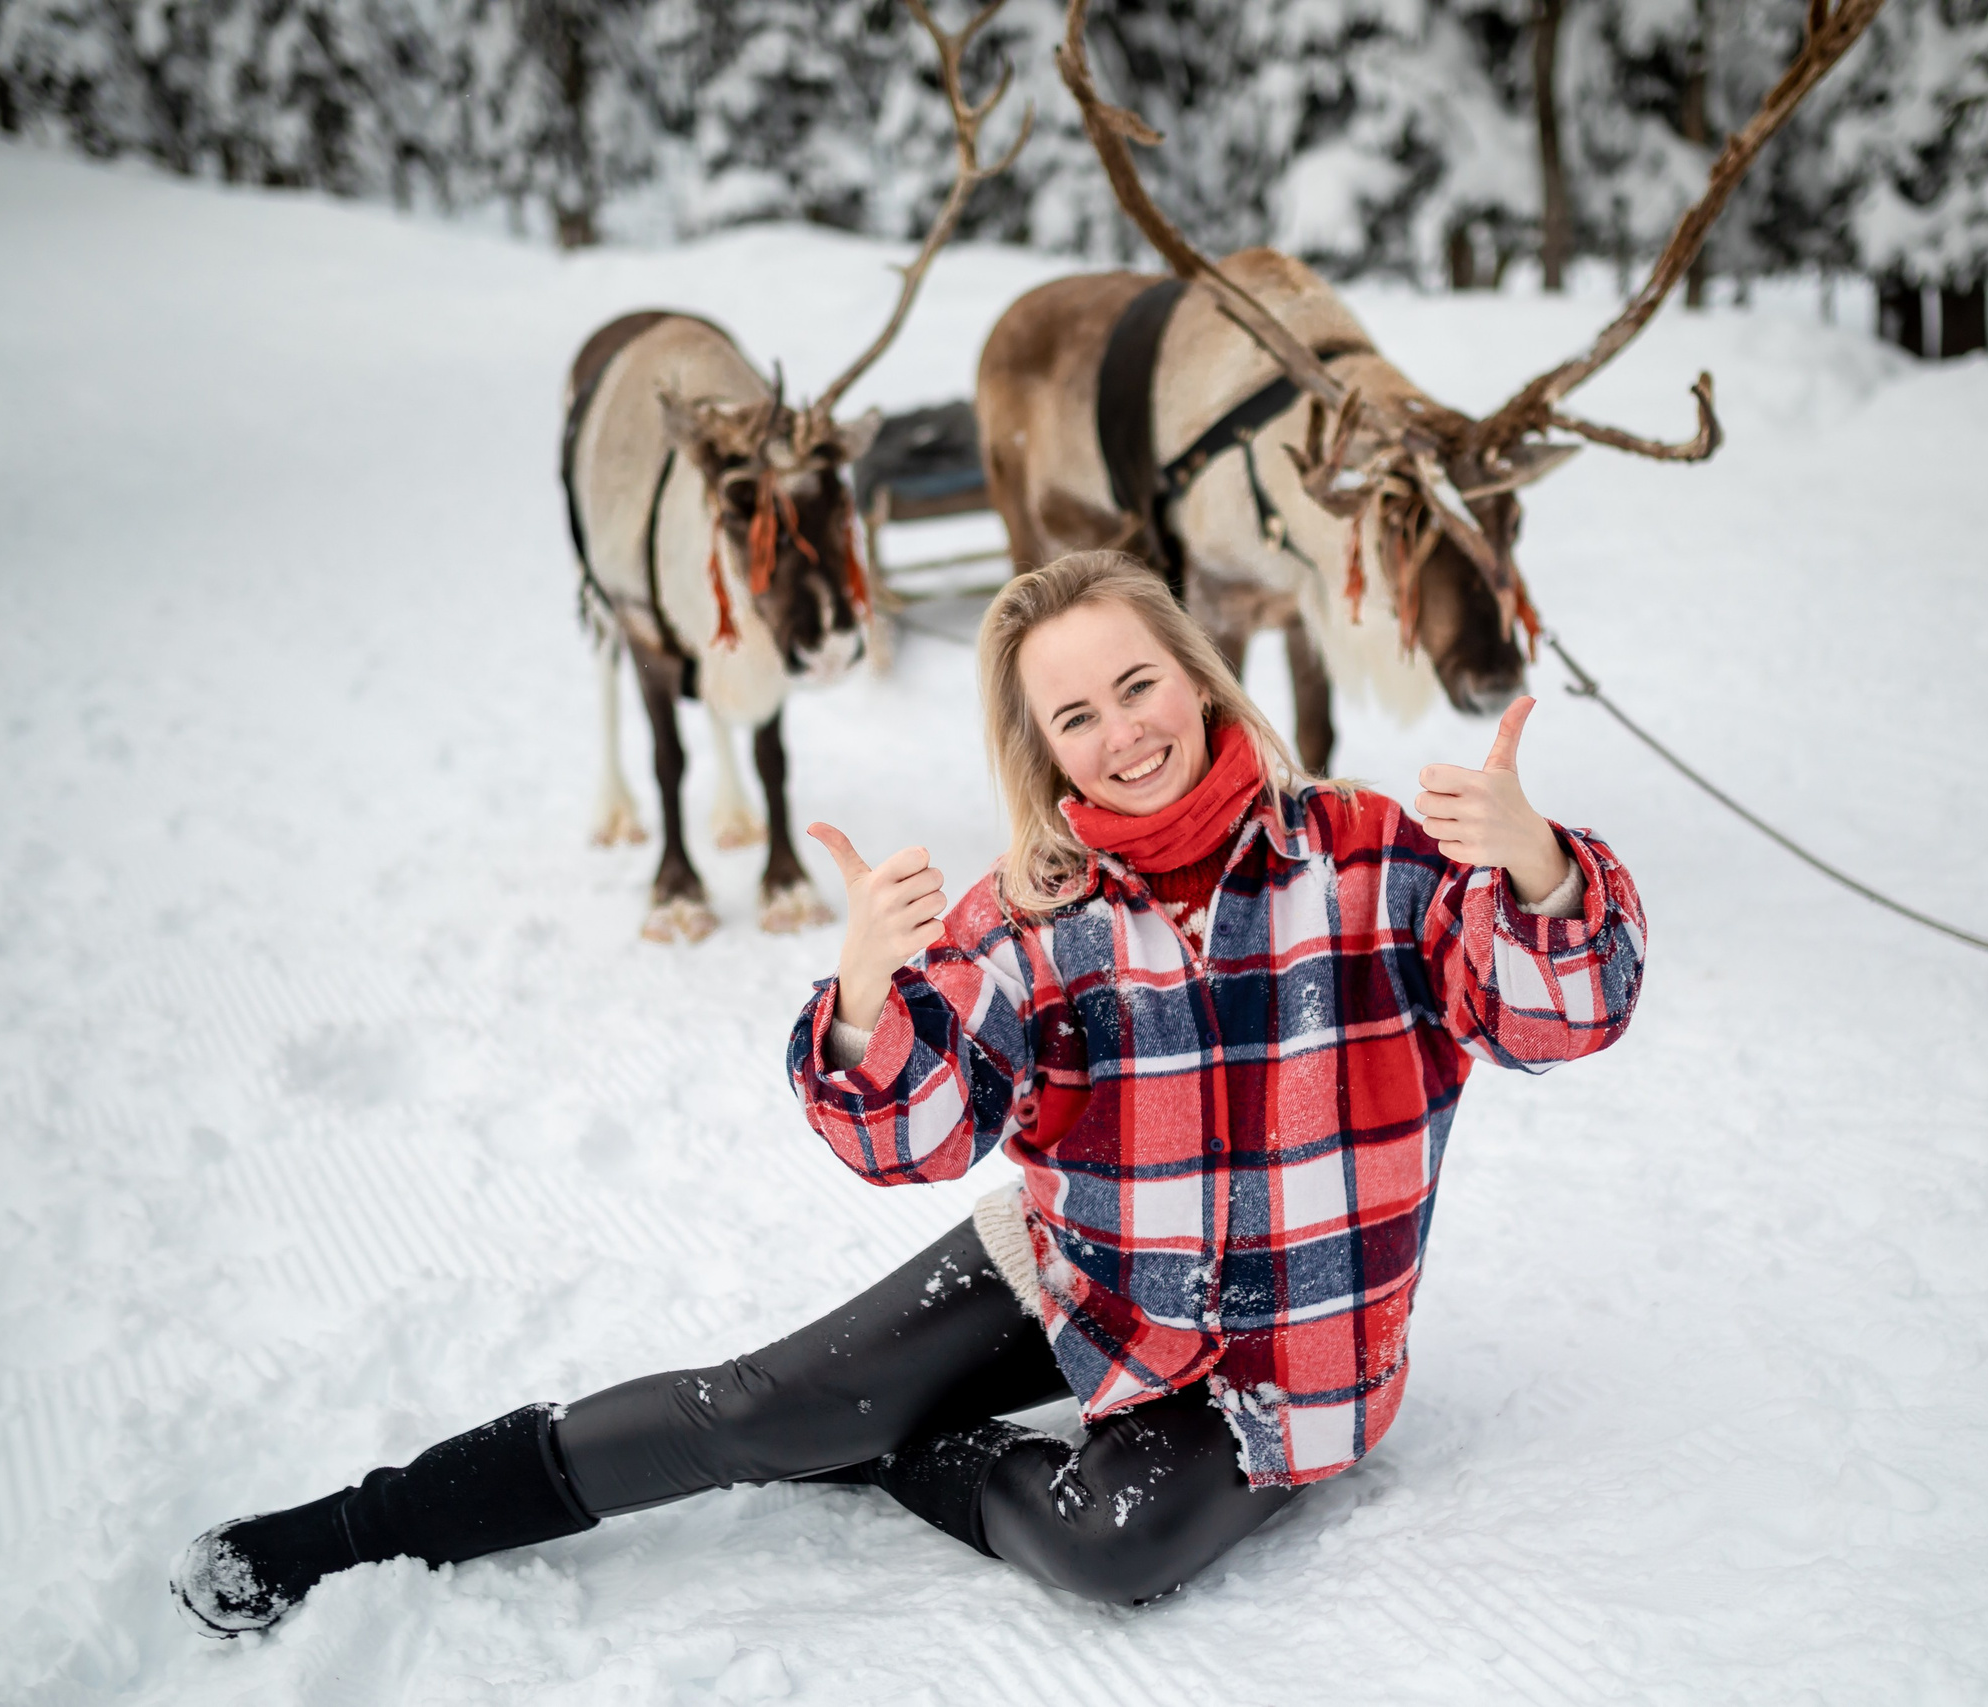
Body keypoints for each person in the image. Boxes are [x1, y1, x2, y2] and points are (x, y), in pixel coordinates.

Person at [174, 549, 1646, 1633]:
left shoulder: (1372, 855)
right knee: (753, 1408)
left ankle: (895, 1457)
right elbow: (916, 1132)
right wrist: (871, 999)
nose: (1124, 732)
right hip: (1086, 1277)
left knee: (1113, 1546)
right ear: (1042, 747)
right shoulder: (1037, 913)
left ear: (1199, 677)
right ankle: (350, 1532)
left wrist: (1533, 864)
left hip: (1285, 1365)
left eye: (1140, 684)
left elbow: (1558, 1015)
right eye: (1077, 716)